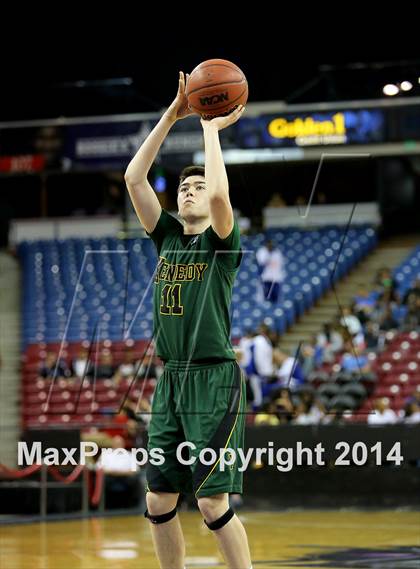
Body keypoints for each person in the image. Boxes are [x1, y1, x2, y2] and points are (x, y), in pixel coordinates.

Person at [124, 71, 252, 569]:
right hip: (171, 380)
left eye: (198, 185)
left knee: (212, 503)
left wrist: (210, 130)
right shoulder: (168, 239)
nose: (190, 191)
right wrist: (171, 116)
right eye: (184, 186)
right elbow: (135, 178)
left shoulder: (222, 244)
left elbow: (222, 200)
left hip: (214, 380)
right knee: (158, 502)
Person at [256, 239, 286, 303]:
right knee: (266, 297)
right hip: (266, 278)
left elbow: (281, 264)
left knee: (275, 298)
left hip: (276, 279)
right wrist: (269, 253)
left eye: (271, 245)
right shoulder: (262, 252)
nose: (270, 246)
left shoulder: (277, 253)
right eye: (269, 245)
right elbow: (261, 262)